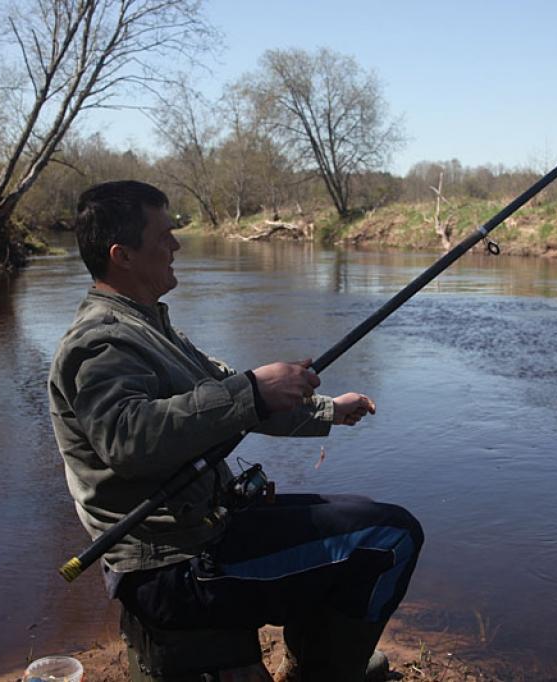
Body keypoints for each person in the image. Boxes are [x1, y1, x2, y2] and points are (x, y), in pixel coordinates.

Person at [48, 180, 423, 681]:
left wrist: (327, 410)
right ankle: (328, 671)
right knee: (391, 535)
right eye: (164, 236)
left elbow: (235, 397)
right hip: (172, 568)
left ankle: (319, 659)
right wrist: (251, 391)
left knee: (361, 519)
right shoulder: (100, 343)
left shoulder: (149, 326)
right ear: (123, 256)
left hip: (207, 529)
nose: (177, 246)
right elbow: (127, 438)